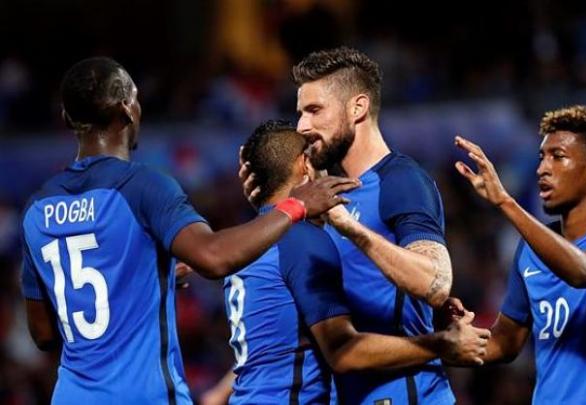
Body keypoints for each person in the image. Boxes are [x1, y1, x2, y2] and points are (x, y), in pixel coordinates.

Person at [19, 57, 359, 404]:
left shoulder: (36, 207)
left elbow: (44, 333)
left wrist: (144, 280)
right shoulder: (143, 186)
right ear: (128, 109)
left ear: (66, 118)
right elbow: (213, 257)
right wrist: (296, 205)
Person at [241, 47, 461, 404]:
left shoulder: (401, 180)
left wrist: (351, 228)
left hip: (407, 393)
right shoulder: (329, 194)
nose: (302, 126)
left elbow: (436, 282)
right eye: (300, 113)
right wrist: (269, 206)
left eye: (314, 110)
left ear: (357, 108)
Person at [219, 120, 489, 404]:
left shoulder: (248, 243)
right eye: (317, 158)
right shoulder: (302, 238)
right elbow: (343, 352)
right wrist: (442, 344)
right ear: (305, 165)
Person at [454, 105, 586, 404]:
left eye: (557, 157)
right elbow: (503, 344)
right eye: (541, 158)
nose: (542, 169)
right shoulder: (530, 249)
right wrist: (452, 336)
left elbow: (583, 270)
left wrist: (505, 203)